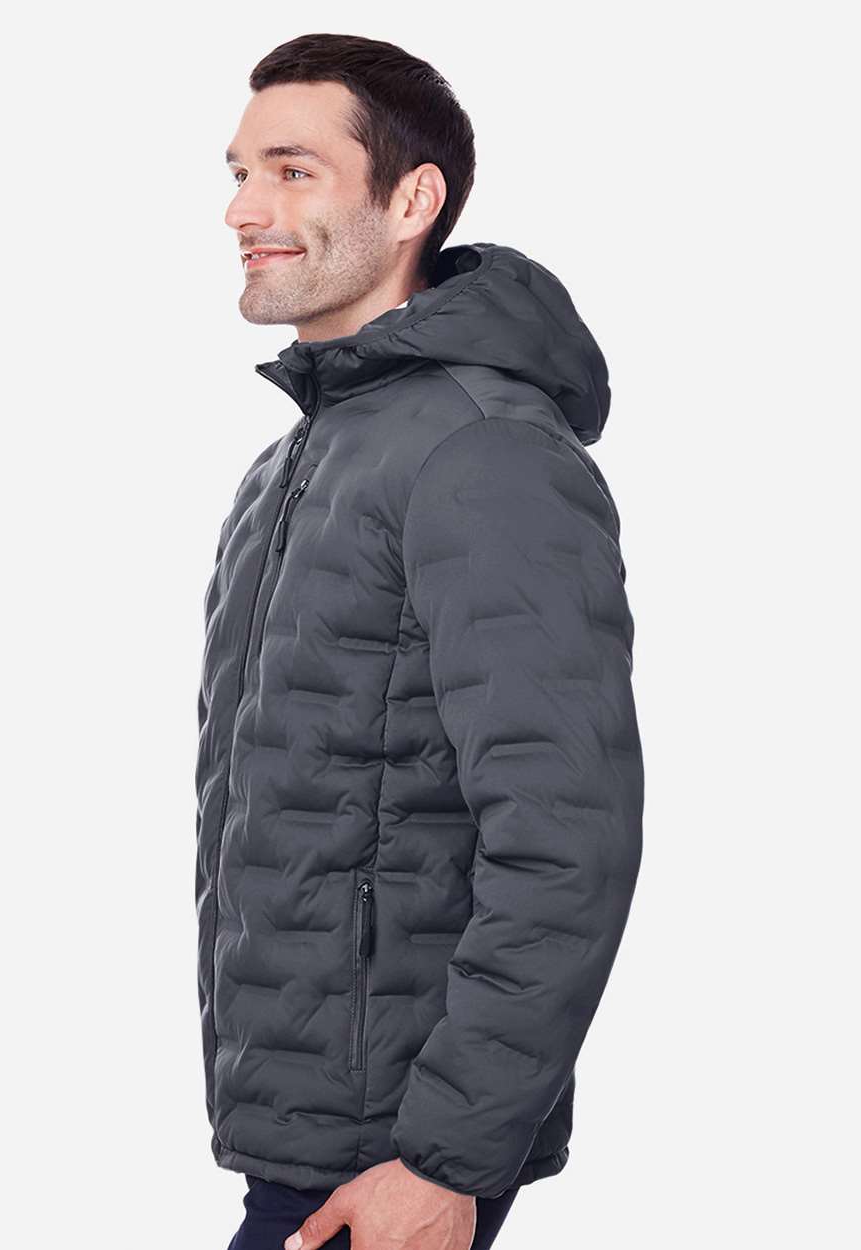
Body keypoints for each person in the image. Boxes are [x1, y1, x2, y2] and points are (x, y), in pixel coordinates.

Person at [196, 32, 644, 1250]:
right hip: (301, 1135)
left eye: (292, 171)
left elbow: (564, 833)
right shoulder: (293, 463)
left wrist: (447, 1157)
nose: (242, 209)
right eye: (238, 173)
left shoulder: (483, 451)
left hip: (391, 1156)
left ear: (412, 201)